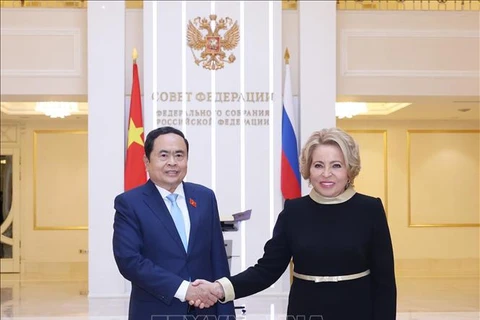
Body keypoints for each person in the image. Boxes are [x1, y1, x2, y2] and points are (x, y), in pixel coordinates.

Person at [191, 127, 397, 320]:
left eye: (336, 165)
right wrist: (220, 288)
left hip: (358, 311)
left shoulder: (370, 209)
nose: (326, 174)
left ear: (349, 170)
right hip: (305, 310)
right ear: (308, 169)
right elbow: (267, 270)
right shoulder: (294, 211)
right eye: (318, 165)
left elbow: (385, 282)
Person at [112, 126, 235, 319]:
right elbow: (129, 261)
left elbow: (218, 260)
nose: (172, 163)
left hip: (206, 311)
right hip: (155, 311)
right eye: (163, 155)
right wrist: (185, 289)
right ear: (147, 161)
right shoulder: (130, 203)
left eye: (179, 155)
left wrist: (227, 313)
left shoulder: (204, 197)